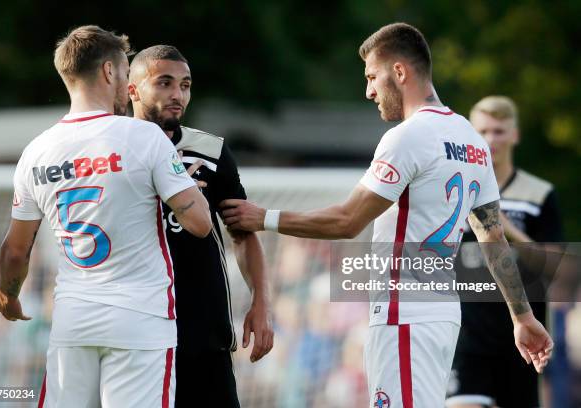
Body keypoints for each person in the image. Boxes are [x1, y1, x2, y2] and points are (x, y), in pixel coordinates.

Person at [220, 23, 553, 407]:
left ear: (399, 72)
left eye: (372, 76)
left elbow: (348, 220)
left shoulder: (407, 137)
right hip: (442, 314)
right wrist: (522, 317)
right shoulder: (470, 140)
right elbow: (493, 238)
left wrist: (264, 217)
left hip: (405, 312)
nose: (369, 91)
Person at [0, 25, 212, 408]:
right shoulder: (144, 138)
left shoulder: (36, 152)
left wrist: (9, 296)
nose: (126, 86)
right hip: (141, 321)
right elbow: (200, 224)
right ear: (109, 72)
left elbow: (15, 251)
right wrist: (173, 190)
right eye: (125, 74)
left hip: (74, 321)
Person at [128, 45, 273, 407]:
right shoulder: (112, 151)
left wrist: (261, 302)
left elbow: (242, 234)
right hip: (132, 330)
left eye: (185, 85)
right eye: (164, 83)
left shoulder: (210, 152)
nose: (178, 95)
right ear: (132, 90)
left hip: (204, 331)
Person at [446, 96, 564, 408]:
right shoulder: (454, 190)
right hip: (464, 333)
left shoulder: (538, 194)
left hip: (523, 336)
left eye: (499, 131)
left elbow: (553, 267)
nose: (490, 140)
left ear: (515, 135)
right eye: (482, 131)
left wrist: (504, 228)